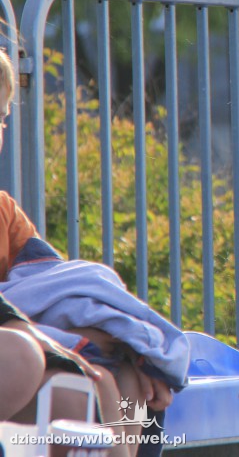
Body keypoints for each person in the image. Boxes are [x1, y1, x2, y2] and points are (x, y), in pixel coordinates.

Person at [0, 47, 183, 457]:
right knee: (67, 384)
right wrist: (72, 347)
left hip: (32, 349)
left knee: (126, 379)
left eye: (1, 118)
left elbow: (53, 291)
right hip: (20, 356)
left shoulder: (4, 211)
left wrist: (130, 347)